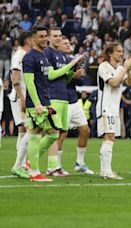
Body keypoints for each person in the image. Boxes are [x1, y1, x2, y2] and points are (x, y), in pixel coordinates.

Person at [23, 26, 83, 182]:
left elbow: (47, 79)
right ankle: (34, 170)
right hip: (38, 103)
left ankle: (30, 165)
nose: (44, 39)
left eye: (45, 36)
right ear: (33, 39)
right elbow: (30, 82)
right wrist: (36, 104)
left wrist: (71, 72)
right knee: (37, 134)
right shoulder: (31, 57)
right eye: (41, 36)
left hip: (47, 100)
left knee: (53, 134)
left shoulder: (43, 55)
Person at [44, 27, 85, 176]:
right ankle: (46, 165)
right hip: (51, 98)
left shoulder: (61, 55)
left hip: (63, 98)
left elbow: (64, 78)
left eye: (60, 36)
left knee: (57, 134)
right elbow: (50, 75)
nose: (58, 38)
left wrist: (73, 74)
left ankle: (54, 166)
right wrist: (70, 65)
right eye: (54, 36)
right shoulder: (47, 53)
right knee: (53, 133)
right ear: (48, 38)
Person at [97, 42, 131, 179]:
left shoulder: (120, 68)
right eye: (118, 51)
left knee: (110, 138)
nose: (121, 53)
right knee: (109, 137)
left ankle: (104, 170)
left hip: (114, 107)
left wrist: (128, 69)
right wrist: (125, 68)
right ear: (110, 53)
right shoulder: (103, 66)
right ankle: (107, 171)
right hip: (105, 106)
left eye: (121, 51)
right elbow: (113, 83)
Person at [59, 36, 94, 175]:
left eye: (69, 43)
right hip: (62, 101)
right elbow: (57, 80)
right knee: (62, 134)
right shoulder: (57, 60)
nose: (68, 44)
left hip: (74, 100)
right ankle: (56, 165)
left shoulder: (71, 60)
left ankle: (80, 163)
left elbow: (79, 83)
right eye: (65, 43)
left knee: (85, 131)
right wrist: (73, 75)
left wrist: (79, 75)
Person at [10, 31, 31, 179]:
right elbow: (15, 79)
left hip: (24, 96)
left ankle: (21, 164)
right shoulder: (19, 55)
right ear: (28, 40)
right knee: (32, 128)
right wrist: (21, 97)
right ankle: (19, 165)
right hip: (20, 97)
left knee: (23, 130)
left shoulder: (27, 55)